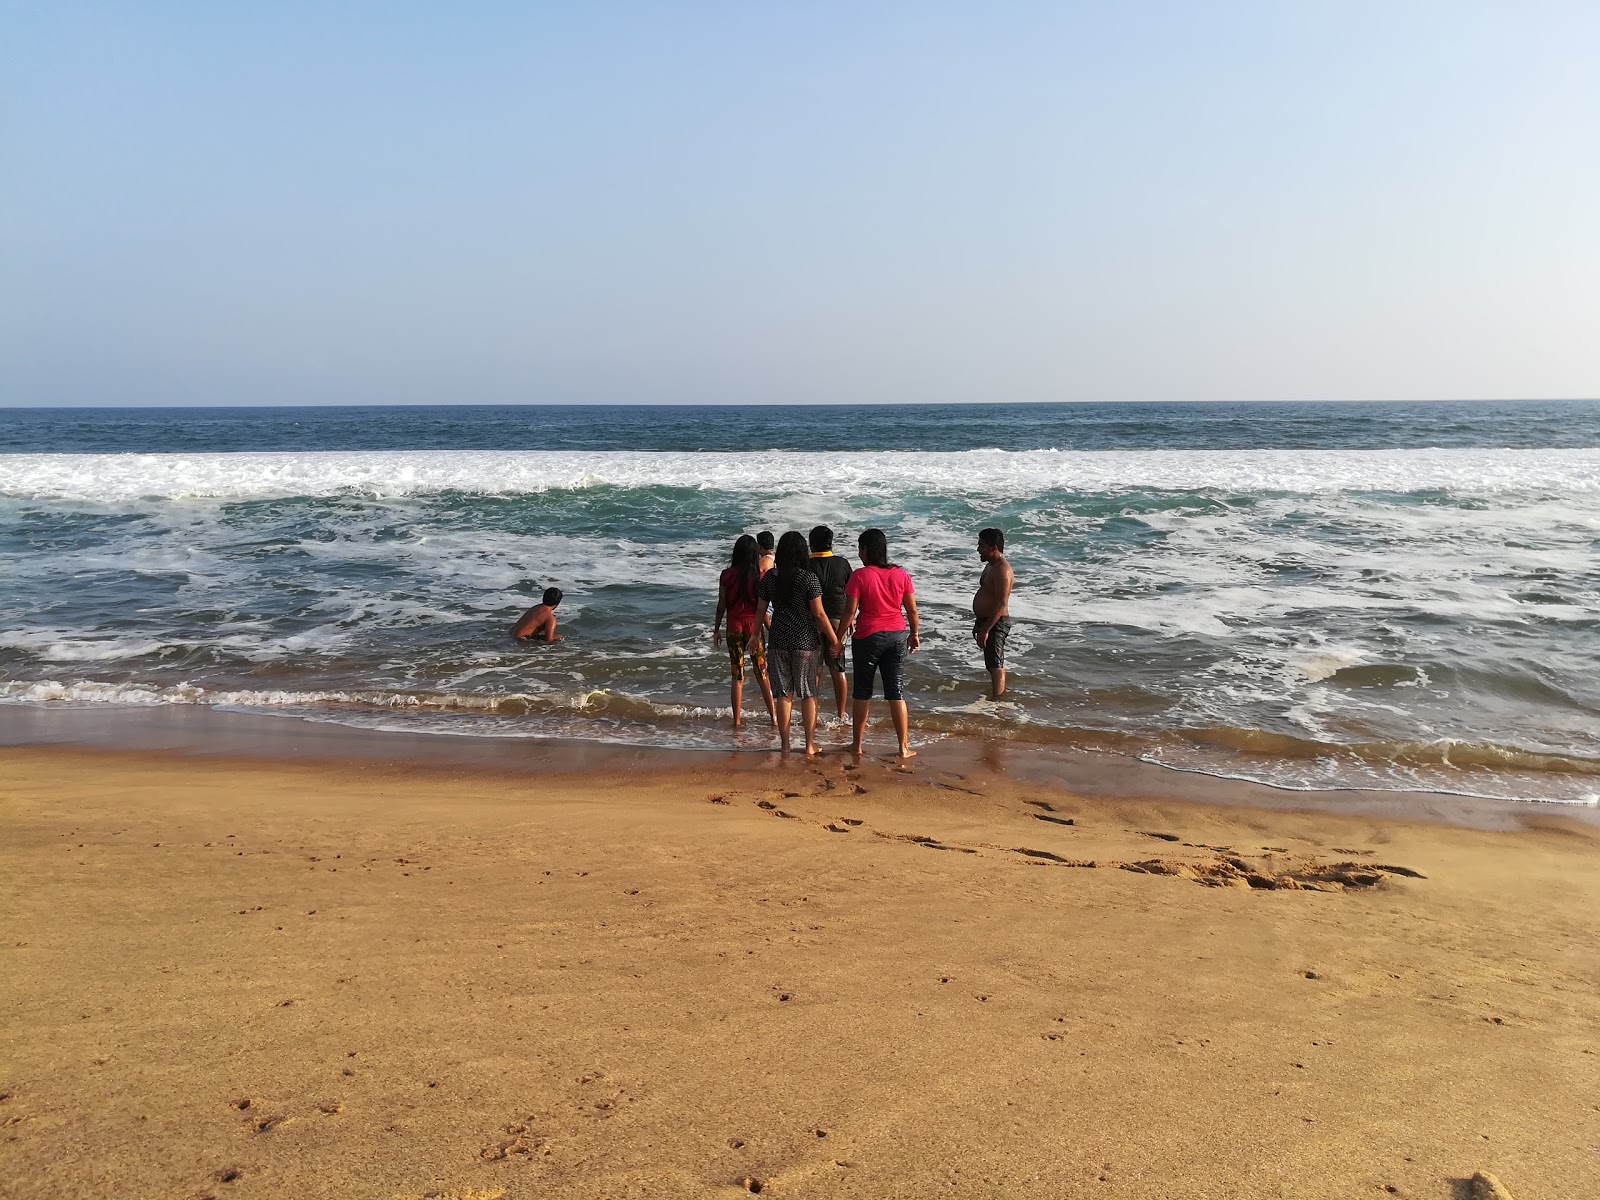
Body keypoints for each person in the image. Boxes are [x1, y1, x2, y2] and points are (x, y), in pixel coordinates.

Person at [837, 528, 920, 759]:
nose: (859, 554)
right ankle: (903, 748)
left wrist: (837, 638)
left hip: (868, 636)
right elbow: (912, 609)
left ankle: (857, 746)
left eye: (860, 548)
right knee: (896, 691)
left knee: (863, 692)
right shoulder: (901, 575)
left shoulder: (860, 576)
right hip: (897, 635)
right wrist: (914, 633)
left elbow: (849, 612)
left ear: (866, 550)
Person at [759, 530, 842, 757]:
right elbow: (819, 615)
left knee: (784, 694)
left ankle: (785, 746)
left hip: (777, 639)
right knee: (808, 694)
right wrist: (835, 641)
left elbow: (760, 611)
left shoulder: (769, 579)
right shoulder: (808, 579)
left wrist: (754, 635)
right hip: (805, 640)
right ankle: (808, 745)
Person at [712, 534, 776, 729]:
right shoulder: (758, 575)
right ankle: (774, 717)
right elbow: (760, 607)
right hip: (753, 629)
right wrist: (770, 628)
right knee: (762, 673)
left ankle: (737, 721)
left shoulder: (726, 574)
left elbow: (721, 605)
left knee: (737, 676)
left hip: (733, 628)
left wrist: (716, 629)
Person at [807, 525, 853, 722]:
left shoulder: (805, 565)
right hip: (837, 621)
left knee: (815, 670)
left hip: (811, 620)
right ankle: (841, 714)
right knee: (838, 668)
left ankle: (813, 714)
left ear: (811, 543)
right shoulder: (842, 563)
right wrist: (851, 619)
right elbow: (852, 595)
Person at [973, 527, 1014, 696]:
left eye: (982, 546)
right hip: (988, 622)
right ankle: (995, 698)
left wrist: (986, 630)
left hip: (996, 623)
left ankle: (997, 703)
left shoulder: (1002, 570)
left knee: (996, 665)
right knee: (991, 664)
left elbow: (1001, 603)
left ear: (993, 548)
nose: (978, 549)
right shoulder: (991, 566)